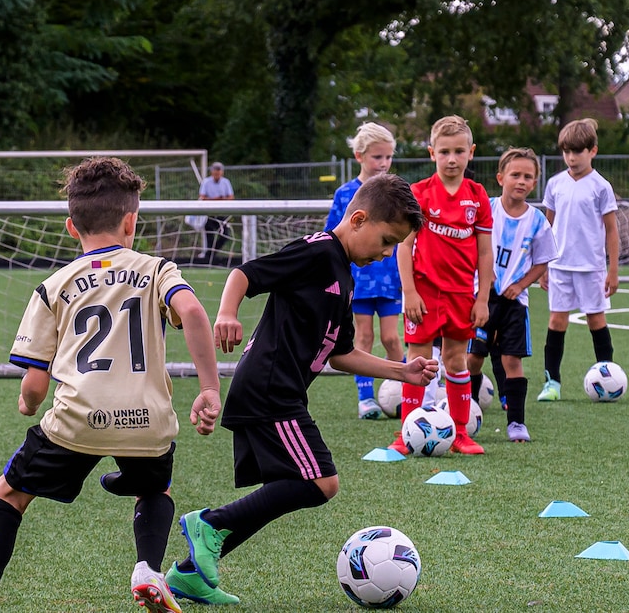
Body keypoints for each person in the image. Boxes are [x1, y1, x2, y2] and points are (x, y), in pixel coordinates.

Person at [0, 157, 223, 613]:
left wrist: (27, 402)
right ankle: (147, 570)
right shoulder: (156, 269)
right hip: (147, 421)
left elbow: (36, 384)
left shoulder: (54, 284)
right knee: (154, 489)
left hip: (77, 421)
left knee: (8, 495)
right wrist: (210, 388)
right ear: (131, 221)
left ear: (69, 226)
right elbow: (195, 313)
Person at [163, 173, 438, 606]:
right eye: (386, 241)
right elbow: (245, 274)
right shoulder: (318, 252)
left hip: (279, 391)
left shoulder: (344, 276)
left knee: (292, 486)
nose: (387, 254)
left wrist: (402, 371)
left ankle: (188, 575)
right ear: (359, 218)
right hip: (271, 388)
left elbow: (340, 352)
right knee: (321, 482)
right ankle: (209, 524)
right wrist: (227, 313)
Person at [387, 114, 494, 456]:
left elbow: (485, 253)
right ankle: (407, 434)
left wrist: (483, 299)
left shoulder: (478, 197)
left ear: (471, 153)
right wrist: (410, 292)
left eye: (459, 151)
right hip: (424, 294)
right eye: (444, 151)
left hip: (462, 294)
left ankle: (460, 433)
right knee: (418, 360)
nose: (452, 159)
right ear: (432, 152)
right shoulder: (418, 193)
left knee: (456, 360)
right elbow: (404, 247)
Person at [466, 147, 557, 443]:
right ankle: (469, 408)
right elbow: (470, 245)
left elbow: (543, 260)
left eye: (528, 176)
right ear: (500, 177)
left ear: (534, 183)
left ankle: (516, 423)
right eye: (515, 174)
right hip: (482, 298)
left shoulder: (538, 221)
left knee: (511, 361)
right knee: (474, 358)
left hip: (515, 304)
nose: (521, 181)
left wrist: (521, 284)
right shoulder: (486, 209)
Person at [323, 122, 403, 420]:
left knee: (392, 339)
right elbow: (332, 235)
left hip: (390, 280)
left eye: (388, 157)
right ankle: (366, 398)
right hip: (358, 282)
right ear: (359, 156)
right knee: (364, 337)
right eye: (377, 157)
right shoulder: (346, 194)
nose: (383, 164)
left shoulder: (395, 192)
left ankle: (403, 392)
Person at [536, 118, 620, 401]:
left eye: (577, 152)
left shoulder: (600, 187)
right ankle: (552, 384)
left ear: (592, 151)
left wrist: (613, 270)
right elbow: (546, 228)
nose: (571, 158)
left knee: (596, 321)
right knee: (557, 322)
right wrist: (543, 266)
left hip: (591, 268)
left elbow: (611, 230)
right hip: (559, 266)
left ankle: (607, 380)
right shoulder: (555, 184)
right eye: (566, 152)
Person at [197, 162, 234, 265]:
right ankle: (208, 259)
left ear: (222, 172)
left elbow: (231, 197)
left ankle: (211, 253)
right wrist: (215, 199)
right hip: (209, 214)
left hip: (222, 214)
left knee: (225, 235)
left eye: (219, 171)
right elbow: (202, 197)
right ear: (212, 172)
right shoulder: (206, 182)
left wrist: (222, 200)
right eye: (215, 171)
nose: (217, 173)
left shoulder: (226, 182)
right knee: (209, 237)